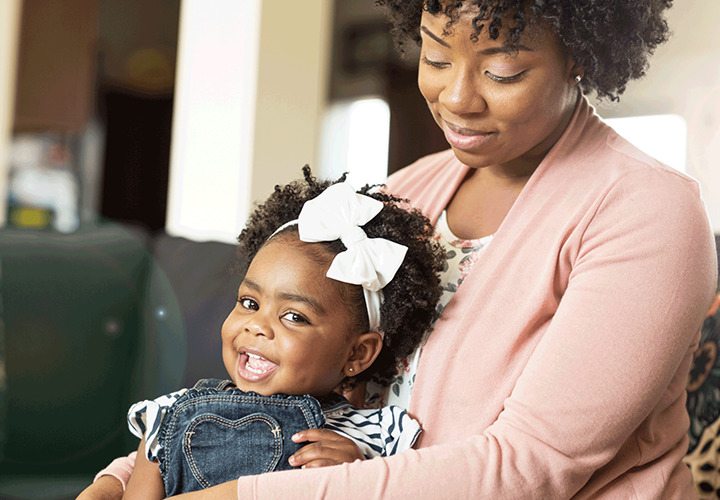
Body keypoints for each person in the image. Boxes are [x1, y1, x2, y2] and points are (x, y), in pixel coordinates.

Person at [79, 0, 718, 498]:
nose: (458, 98)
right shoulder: (406, 195)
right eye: (437, 58)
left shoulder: (646, 210)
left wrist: (244, 496)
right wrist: (121, 476)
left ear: (582, 53)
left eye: (503, 71)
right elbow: (295, 388)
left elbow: (529, 470)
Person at [97, 168, 445, 498]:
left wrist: (355, 478)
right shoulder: (170, 416)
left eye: (293, 316)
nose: (257, 325)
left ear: (357, 354)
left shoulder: (373, 438)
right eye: (249, 303)